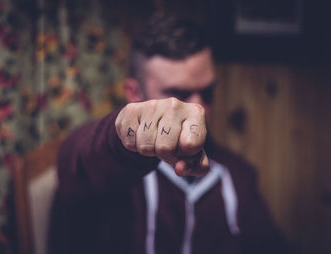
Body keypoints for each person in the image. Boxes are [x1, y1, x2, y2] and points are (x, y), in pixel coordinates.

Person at [48, 16, 291, 254]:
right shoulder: (110, 173)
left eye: (207, 93)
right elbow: (78, 160)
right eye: (178, 94)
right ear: (134, 93)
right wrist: (122, 137)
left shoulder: (237, 175)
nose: (199, 110)